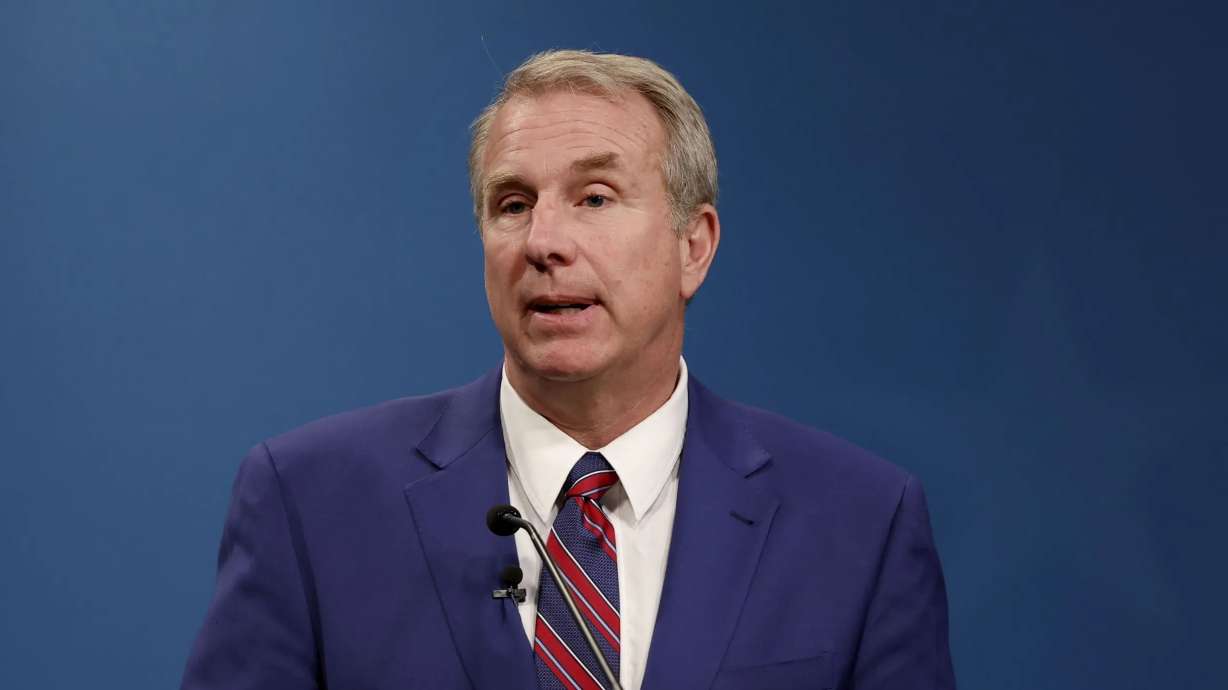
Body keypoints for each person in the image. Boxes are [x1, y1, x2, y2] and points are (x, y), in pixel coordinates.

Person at [181, 50, 956, 690]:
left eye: (594, 197)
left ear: (695, 246)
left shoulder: (861, 523)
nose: (543, 241)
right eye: (512, 204)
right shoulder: (308, 502)